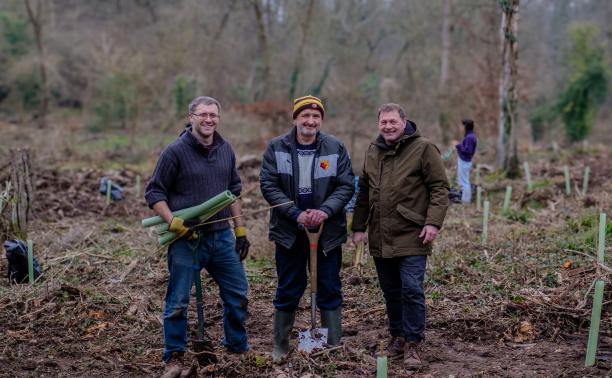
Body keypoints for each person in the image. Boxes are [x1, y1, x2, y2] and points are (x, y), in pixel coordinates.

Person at [145, 96, 251, 378]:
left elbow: (234, 192)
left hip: (222, 237)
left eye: (213, 115)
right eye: (203, 114)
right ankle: (174, 357)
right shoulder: (175, 151)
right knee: (178, 300)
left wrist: (240, 231)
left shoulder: (225, 149)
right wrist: (173, 222)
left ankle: (237, 349)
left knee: (238, 294)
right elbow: (154, 193)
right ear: (190, 117)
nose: (209, 120)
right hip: (186, 239)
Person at [351, 103, 449, 369]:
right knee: (391, 291)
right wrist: (358, 227)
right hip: (381, 233)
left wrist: (433, 223)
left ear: (404, 122)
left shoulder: (424, 148)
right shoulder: (373, 150)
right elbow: (363, 192)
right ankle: (398, 337)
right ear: (378, 125)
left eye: (393, 122)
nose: (388, 127)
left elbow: (439, 188)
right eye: (383, 122)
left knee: (412, 290)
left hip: (413, 232)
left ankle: (414, 344)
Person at [260, 95, 354, 362]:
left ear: (321, 120)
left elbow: (346, 185)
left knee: (329, 286)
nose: (310, 121)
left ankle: (333, 345)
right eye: (305, 116)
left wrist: (324, 210)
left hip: (327, 233)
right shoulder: (276, 147)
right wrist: (295, 214)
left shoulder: (335, 147)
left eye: (315, 117)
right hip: (289, 232)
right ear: (296, 118)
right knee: (289, 286)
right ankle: (280, 346)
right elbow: (269, 185)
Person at [453, 119, 477, 203]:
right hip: (464, 161)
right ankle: (465, 199)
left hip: (465, 161)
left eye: (461, 126)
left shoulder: (470, 137)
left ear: (465, 126)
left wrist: (458, 145)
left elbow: (468, 152)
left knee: (464, 182)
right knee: (463, 181)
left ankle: (466, 201)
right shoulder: (469, 136)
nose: (460, 128)